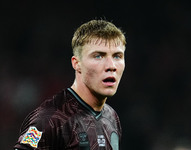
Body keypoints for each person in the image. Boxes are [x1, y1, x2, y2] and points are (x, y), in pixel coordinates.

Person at [14, 19, 126, 150]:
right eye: (98, 56)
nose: (111, 66)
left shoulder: (111, 117)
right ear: (76, 64)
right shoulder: (50, 118)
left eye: (117, 56)